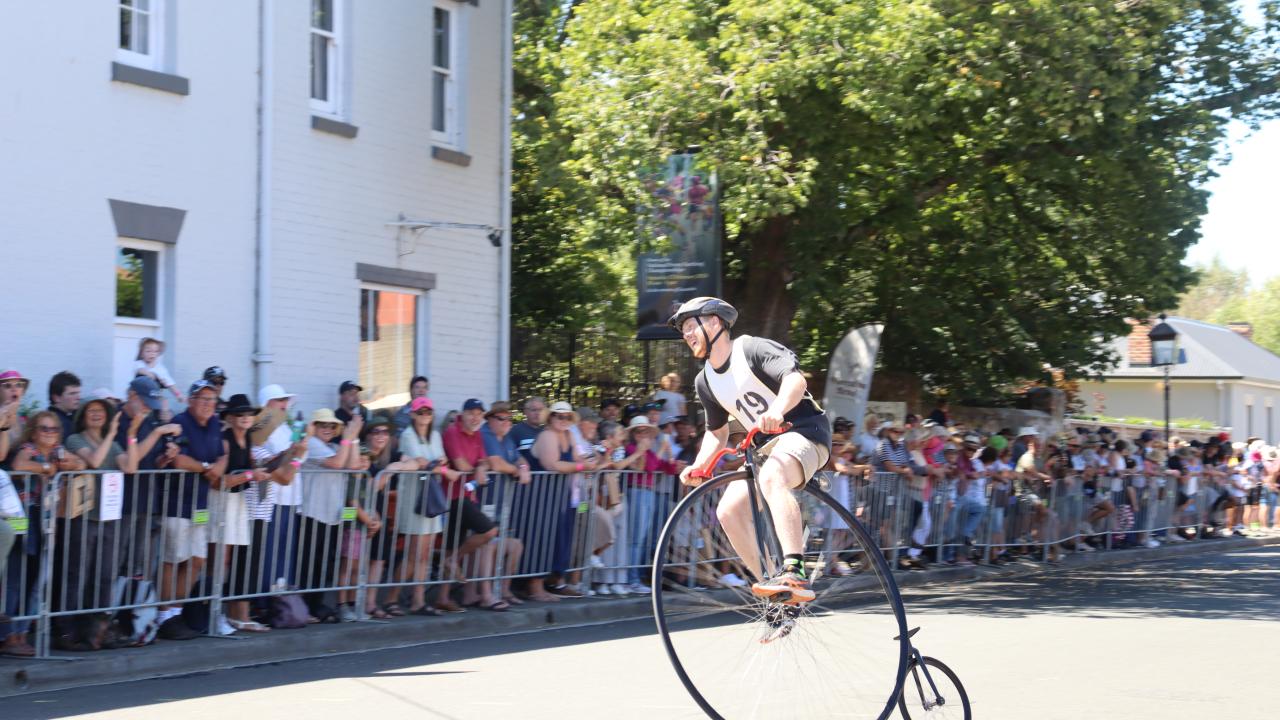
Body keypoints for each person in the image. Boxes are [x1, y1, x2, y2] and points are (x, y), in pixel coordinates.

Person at [672, 297, 832, 605]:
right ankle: (773, 586)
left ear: (715, 322)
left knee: (773, 476)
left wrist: (777, 409)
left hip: (804, 433)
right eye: (684, 330)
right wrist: (700, 464)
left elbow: (795, 380)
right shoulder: (705, 381)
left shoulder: (752, 349)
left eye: (692, 325)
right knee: (728, 511)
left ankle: (794, 570)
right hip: (766, 449)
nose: (687, 334)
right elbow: (717, 433)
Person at [5, 411, 88, 655]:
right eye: (44, 428)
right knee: (18, 578)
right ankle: (8, 635)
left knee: (36, 582)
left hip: (46, 520)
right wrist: (46, 467)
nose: (49, 433)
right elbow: (19, 465)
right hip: (25, 518)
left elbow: (81, 464)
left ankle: (21, 633)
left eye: (53, 429)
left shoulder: (58, 451)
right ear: (33, 430)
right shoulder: (28, 448)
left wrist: (62, 464)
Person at [156, 379, 226, 640]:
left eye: (212, 400)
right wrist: (207, 467)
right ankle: (164, 614)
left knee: (197, 560)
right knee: (173, 560)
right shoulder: (180, 422)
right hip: (176, 502)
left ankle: (176, 610)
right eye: (203, 399)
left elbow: (222, 453)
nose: (208, 404)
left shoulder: (216, 424)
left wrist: (219, 464)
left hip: (201, 504)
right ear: (191, 400)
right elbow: (178, 459)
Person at [298, 408, 366, 622]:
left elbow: (354, 466)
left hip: (332, 513)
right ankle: (306, 607)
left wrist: (352, 439)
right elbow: (337, 463)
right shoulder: (312, 444)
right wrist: (348, 439)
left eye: (331, 426)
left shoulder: (336, 446)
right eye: (322, 425)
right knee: (309, 563)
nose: (327, 429)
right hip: (312, 511)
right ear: (314, 427)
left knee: (325, 563)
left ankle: (316, 605)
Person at [440, 399, 505, 611]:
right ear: (463, 413)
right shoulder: (452, 431)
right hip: (452, 495)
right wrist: (478, 469)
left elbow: (484, 460)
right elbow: (460, 464)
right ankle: (454, 564)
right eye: (471, 413)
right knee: (488, 531)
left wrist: (480, 467)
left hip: (468, 496)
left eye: (479, 414)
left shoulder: (476, 433)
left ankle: (446, 596)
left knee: (455, 544)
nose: (475, 417)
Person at [396, 397, 454, 614]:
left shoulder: (435, 435)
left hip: (431, 496)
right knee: (414, 552)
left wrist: (436, 465)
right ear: (412, 414)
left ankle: (418, 600)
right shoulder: (408, 435)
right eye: (420, 412)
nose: (424, 416)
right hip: (414, 497)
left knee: (425, 553)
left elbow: (441, 461)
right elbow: (424, 463)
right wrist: (436, 466)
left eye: (428, 412)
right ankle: (392, 596)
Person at [479, 401, 529, 606]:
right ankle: (485, 593)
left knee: (515, 545)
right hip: (485, 501)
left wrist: (523, 466)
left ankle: (504, 590)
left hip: (502, 502)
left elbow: (519, 458)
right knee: (487, 546)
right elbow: (496, 463)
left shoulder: (506, 438)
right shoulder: (486, 434)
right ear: (490, 419)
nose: (507, 422)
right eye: (501, 418)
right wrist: (517, 471)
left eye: (509, 418)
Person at [134, 337, 185, 404]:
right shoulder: (139, 363)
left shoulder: (161, 368)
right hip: (140, 397)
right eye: (148, 351)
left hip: (154, 397)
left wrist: (178, 395)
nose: (152, 353)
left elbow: (170, 384)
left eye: (155, 351)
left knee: (163, 402)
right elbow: (140, 370)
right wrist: (153, 376)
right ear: (141, 353)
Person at [48, 370, 83, 439]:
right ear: (56, 398)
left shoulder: (73, 416)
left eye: (78, 393)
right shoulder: (52, 423)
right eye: (72, 393)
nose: (78, 397)